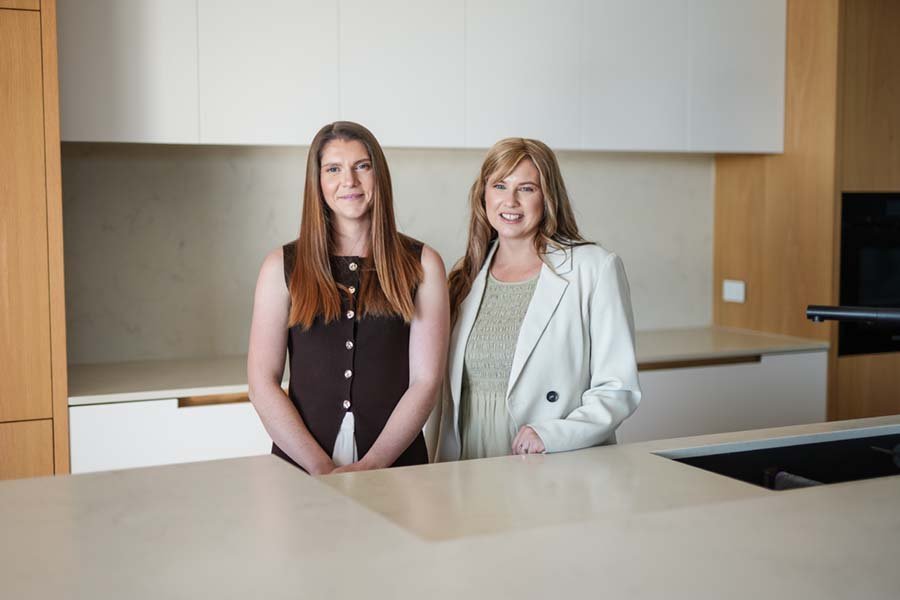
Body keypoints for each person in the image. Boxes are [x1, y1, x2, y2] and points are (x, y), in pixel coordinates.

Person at [248, 121, 449, 475]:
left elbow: (425, 381)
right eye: (334, 169)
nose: (349, 181)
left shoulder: (423, 264)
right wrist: (319, 467)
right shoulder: (280, 266)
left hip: (396, 467)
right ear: (318, 181)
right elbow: (262, 382)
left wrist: (373, 464)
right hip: (300, 468)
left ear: (378, 175)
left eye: (362, 166)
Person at [435, 138, 641, 461]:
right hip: (470, 457)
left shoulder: (594, 268)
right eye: (500, 185)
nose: (510, 201)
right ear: (483, 194)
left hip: (548, 458)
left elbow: (618, 389)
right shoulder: (464, 277)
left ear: (547, 197)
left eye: (527, 188)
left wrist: (551, 435)